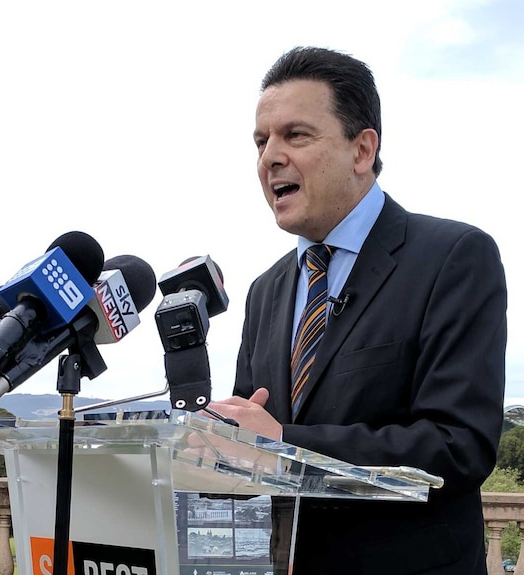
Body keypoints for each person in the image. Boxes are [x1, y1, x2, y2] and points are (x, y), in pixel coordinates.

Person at [207, 47, 507, 575]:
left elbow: (458, 447)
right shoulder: (265, 291)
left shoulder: (454, 257)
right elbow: (250, 445)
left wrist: (283, 443)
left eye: (295, 135)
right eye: (261, 141)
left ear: (362, 150)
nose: (269, 157)